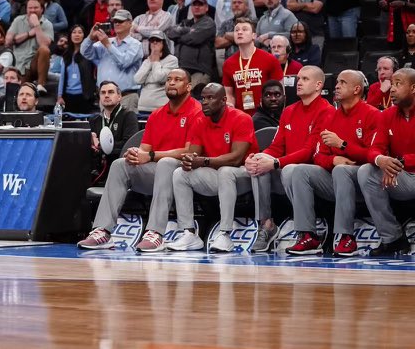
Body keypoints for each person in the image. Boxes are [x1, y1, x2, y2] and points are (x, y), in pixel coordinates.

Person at [78, 69, 201, 252]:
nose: (171, 83)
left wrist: (150, 156)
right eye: (168, 80)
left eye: (177, 79)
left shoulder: (197, 111)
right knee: (120, 164)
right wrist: (135, 154)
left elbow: (189, 152)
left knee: (166, 163)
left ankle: (155, 233)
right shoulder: (157, 115)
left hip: (185, 173)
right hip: (157, 174)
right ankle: (102, 230)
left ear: (188, 86)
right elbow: (145, 150)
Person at [286, 70, 380, 256]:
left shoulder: (373, 114)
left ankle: (346, 237)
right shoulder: (330, 116)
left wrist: (342, 145)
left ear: (356, 89)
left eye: (342, 83)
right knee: (299, 171)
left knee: (342, 171)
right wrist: (333, 159)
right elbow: (318, 155)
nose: (336, 86)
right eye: (337, 82)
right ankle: (308, 236)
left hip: (365, 181)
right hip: (336, 179)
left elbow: (373, 155)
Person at [245, 66, 333, 252]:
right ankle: (266, 226)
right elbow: (277, 147)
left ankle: (308, 234)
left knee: (290, 169)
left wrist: (276, 163)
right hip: (288, 171)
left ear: (318, 85)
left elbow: (309, 152)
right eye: (298, 78)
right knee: (259, 166)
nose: (299, 82)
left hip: (314, 173)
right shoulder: (289, 110)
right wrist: (258, 157)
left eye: (305, 79)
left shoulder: (326, 111)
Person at [167, 83, 258, 253]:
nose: (205, 102)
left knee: (226, 171)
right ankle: (189, 233)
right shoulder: (200, 121)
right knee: (180, 173)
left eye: (210, 98)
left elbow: (236, 159)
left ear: (224, 100)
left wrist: (203, 161)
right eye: (203, 98)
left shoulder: (241, 118)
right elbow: (194, 156)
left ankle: (225, 234)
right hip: (216, 175)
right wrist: (189, 161)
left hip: (244, 175)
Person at [358, 67, 415, 256]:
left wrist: (398, 162)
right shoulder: (387, 114)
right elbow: (374, 149)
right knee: (366, 171)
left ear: (413, 88)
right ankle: (393, 239)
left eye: (398, 84)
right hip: (403, 177)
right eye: (392, 84)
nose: (392, 89)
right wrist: (381, 160)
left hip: (405, 170)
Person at [80, 9, 143, 111]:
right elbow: (85, 52)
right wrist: (90, 38)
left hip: (126, 97)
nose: (117, 24)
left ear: (130, 23)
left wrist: (108, 45)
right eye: (115, 21)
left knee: (126, 126)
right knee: (105, 127)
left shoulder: (135, 45)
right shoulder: (106, 42)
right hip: (105, 97)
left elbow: (124, 62)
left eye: (120, 21)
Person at [221, 18, 283, 115]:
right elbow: (229, 93)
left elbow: (280, 90)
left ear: (254, 36)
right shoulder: (228, 63)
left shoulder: (270, 60)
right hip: (240, 116)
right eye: (236, 30)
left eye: (244, 29)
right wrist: (230, 106)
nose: (239, 32)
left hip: (266, 115)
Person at [5, 0, 55, 93]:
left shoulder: (47, 24)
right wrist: (28, 34)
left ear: (42, 9)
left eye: (36, 8)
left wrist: (37, 26)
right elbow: (8, 41)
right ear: (26, 9)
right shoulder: (18, 20)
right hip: (20, 65)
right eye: (30, 8)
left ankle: (40, 85)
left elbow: (44, 44)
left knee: (44, 50)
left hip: (36, 64)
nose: (32, 10)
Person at [166, 0, 217, 87]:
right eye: (194, 5)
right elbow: (170, 33)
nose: (197, 7)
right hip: (181, 68)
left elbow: (195, 39)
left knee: (195, 98)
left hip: (199, 70)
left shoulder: (208, 23)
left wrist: (179, 36)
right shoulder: (186, 22)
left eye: (200, 5)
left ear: (206, 8)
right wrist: (188, 31)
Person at [134, 32, 178, 113]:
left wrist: (156, 61)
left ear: (164, 43)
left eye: (158, 40)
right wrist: (150, 61)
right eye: (152, 40)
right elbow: (137, 80)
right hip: (143, 106)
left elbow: (159, 77)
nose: (154, 42)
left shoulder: (172, 60)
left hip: (160, 107)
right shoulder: (147, 60)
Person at [57, 26, 96, 115]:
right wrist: (60, 96)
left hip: (84, 96)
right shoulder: (66, 54)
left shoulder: (88, 53)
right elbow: (62, 77)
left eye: (80, 32)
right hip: (68, 96)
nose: (77, 35)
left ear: (84, 36)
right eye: (74, 32)